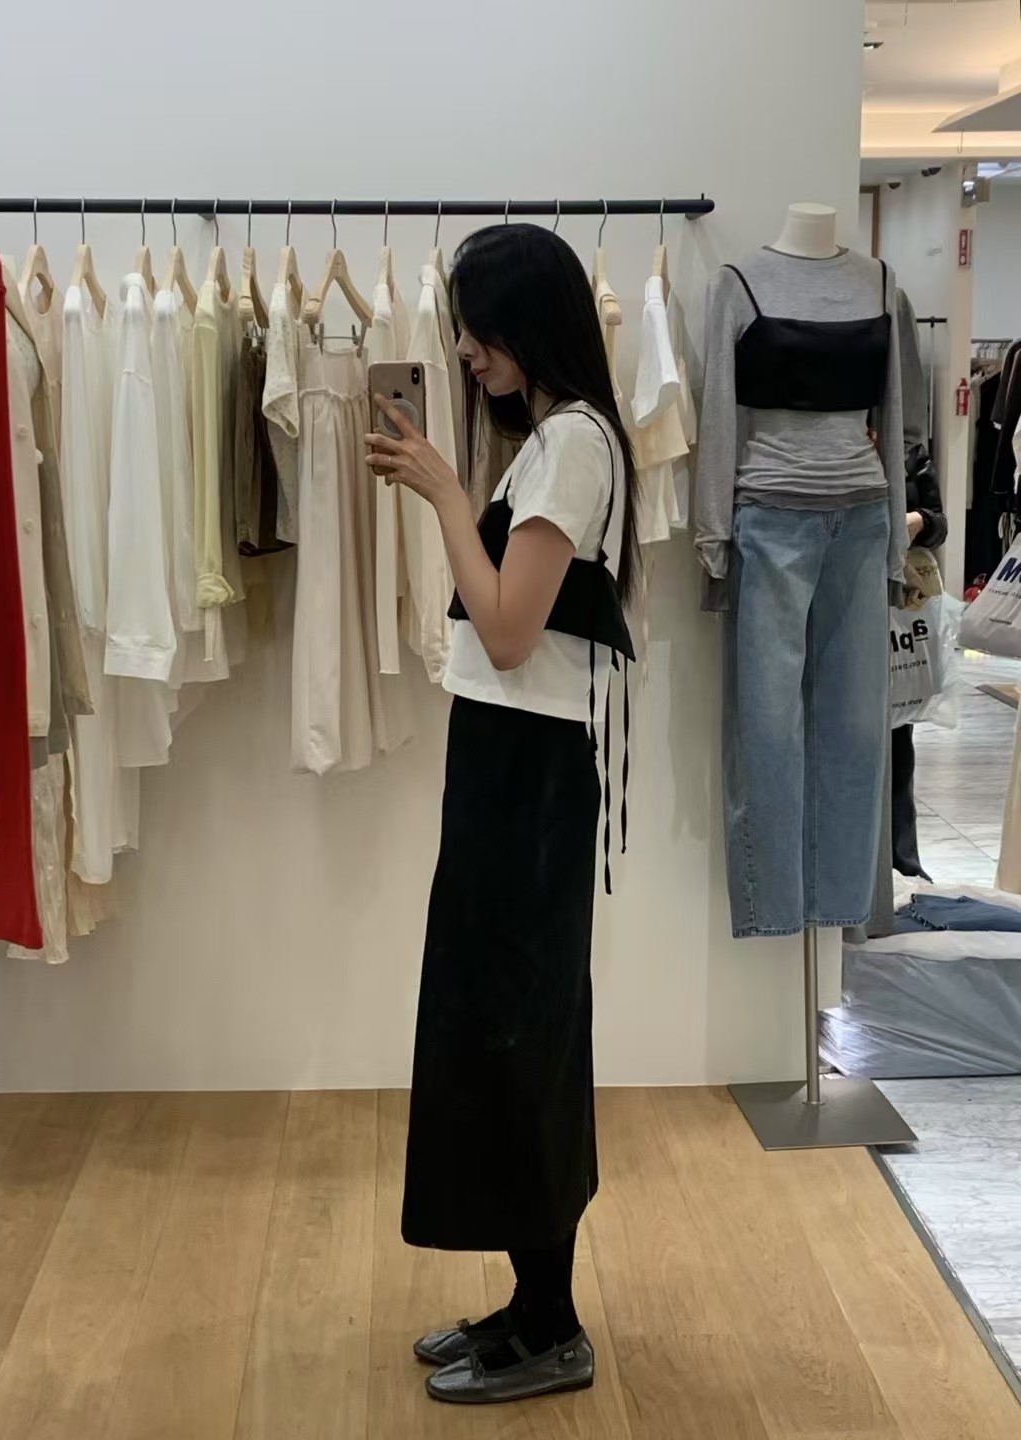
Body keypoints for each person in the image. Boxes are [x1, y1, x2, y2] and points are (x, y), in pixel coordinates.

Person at [365, 223, 639, 1406]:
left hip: (530, 774)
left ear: (528, 323)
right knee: (501, 1025)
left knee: (522, 1033)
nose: (468, 351)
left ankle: (553, 1326)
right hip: (511, 764)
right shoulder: (558, 442)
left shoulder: (571, 444)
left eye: (479, 330)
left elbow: (509, 627)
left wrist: (442, 492)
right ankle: (530, 1308)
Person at [894, 443, 948, 879]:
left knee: (898, 734)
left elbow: (939, 523)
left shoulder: (911, 452)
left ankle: (903, 863)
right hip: (847, 603)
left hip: (901, 610)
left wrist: (920, 521)